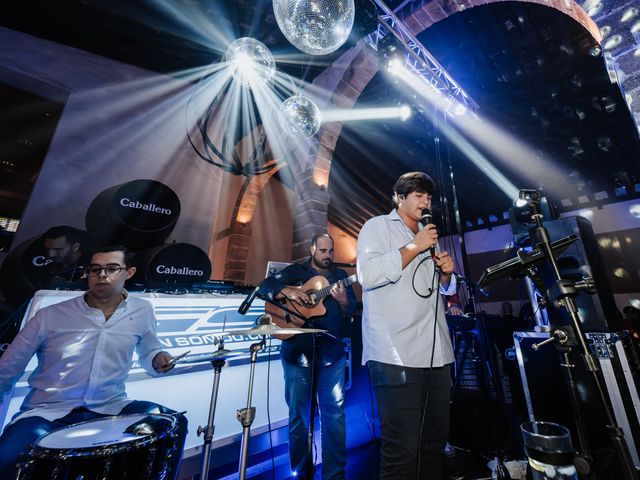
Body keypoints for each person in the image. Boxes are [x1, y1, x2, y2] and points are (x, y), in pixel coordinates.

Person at [0, 245, 187, 479]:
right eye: (95, 269)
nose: (102, 275)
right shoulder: (50, 315)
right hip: (47, 411)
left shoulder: (142, 309)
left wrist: (159, 359)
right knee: (7, 455)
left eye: (111, 269)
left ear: (129, 273)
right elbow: (7, 369)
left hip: (111, 406)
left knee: (174, 422)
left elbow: (151, 349)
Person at [357, 172, 456, 479]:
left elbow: (441, 291)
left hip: (437, 354)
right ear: (400, 198)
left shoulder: (430, 236)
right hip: (394, 354)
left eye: (428, 198)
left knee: (433, 444)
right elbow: (368, 276)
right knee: (403, 448)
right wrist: (414, 246)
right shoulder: (377, 227)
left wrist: (446, 276)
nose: (425, 203)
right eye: (418, 196)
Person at [258, 233, 356, 480]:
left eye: (331, 251)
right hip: (297, 354)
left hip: (331, 356)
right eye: (322, 250)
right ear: (313, 249)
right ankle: (301, 473)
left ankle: (334, 475)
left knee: (334, 417)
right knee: (299, 418)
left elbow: (350, 310)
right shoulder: (295, 271)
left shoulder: (341, 277)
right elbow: (265, 287)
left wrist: (344, 301)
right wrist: (288, 292)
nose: (327, 256)